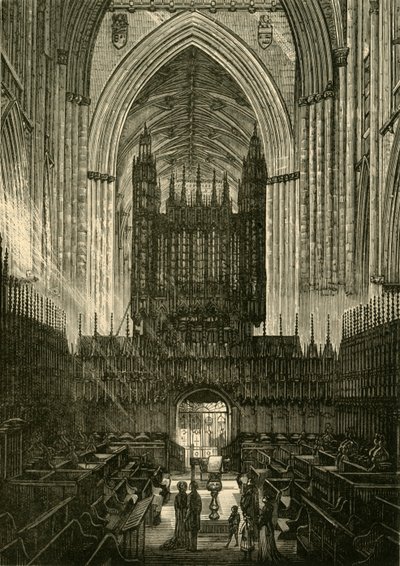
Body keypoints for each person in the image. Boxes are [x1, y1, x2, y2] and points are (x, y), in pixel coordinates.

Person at [160, 480, 189, 550]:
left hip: (184, 513)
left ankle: (184, 541)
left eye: (184, 486)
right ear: (179, 487)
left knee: (185, 527)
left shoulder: (186, 495)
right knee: (180, 526)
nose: (182, 488)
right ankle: (180, 540)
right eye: (181, 486)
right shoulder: (178, 496)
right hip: (180, 514)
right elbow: (177, 506)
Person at [257, 495, 284, 564]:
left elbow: (264, 517)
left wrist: (260, 521)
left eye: (265, 498)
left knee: (265, 540)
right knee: (268, 540)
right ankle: (265, 555)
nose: (263, 499)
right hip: (268, 524)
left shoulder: (266, 508)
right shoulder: (269, 507)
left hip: (265, 525)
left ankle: (265, 556)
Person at [185, 481, 202, 551]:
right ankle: (193, 547)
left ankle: (192, 547)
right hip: (196, 516)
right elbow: (199, 507)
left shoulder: (191, 496)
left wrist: (186, 517)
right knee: (193, 533)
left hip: (191, 516)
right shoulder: (198, 495)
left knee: (191, 532)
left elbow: (189, 507)